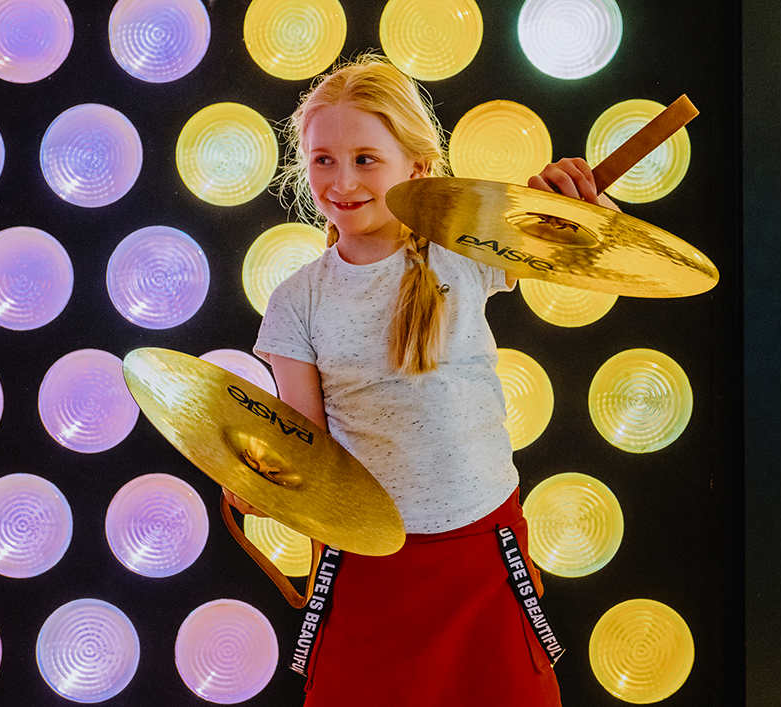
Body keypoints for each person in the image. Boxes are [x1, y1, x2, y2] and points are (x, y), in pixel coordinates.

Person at [240, 53, 617, 706]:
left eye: (365, 158)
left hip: (480, 550)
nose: (341, 179)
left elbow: (580, 246)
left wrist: (577, 201)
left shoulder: (463, 248)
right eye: (323, 158)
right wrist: (262, 478)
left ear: (416, 165)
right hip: (367, 568)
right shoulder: (297, 299)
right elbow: (309, 449)